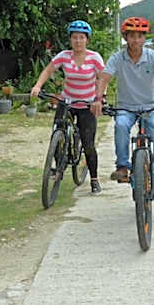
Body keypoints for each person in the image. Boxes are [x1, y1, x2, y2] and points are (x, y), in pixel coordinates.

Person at [91, 16, 154, 199]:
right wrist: (98, 98)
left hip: (151, 107)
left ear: (144, 38)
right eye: (131, 36)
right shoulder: (117, 58)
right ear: (125, 37)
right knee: (120, 126)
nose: (135, 40)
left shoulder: (152, 56)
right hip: (126, 107)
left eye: (139, 36)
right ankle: (122, 167)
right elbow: (104, 77)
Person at [30, 20, 105, 194]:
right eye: (74, 38)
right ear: (70, 40)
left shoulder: (95, 58)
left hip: (87, 104)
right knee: (57, 133)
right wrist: (37, 86)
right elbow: (48, 70)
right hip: (67, 101)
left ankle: (94, 178)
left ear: (87, 40)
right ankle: (58, 167)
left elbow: (103, 78)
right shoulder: (64, 56)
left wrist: (100, 98)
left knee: (88, 145)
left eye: (81, 38)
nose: (78, 41)